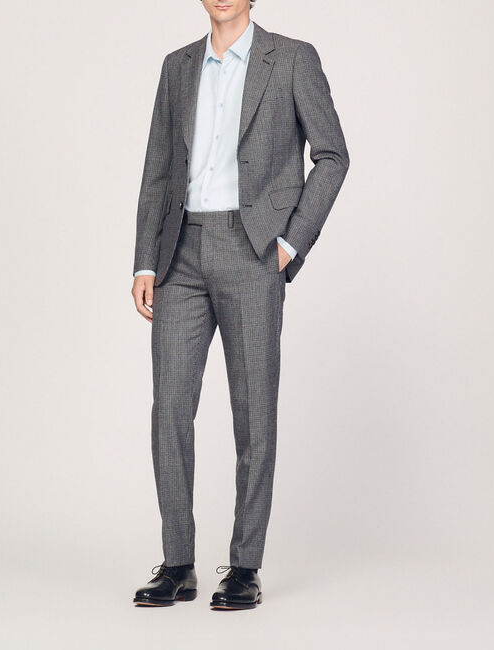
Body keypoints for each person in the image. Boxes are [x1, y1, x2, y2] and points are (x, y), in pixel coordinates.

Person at [131, 0, 349, 610]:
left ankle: (245, 566)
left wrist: (289, 243)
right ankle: (178, 564)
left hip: (253, 249)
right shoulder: (177, 67)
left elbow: (333, 156)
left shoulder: (293, 59)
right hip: (179, 252)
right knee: (170, 410)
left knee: (253, 412)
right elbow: (157, 169)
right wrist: (145, 260)